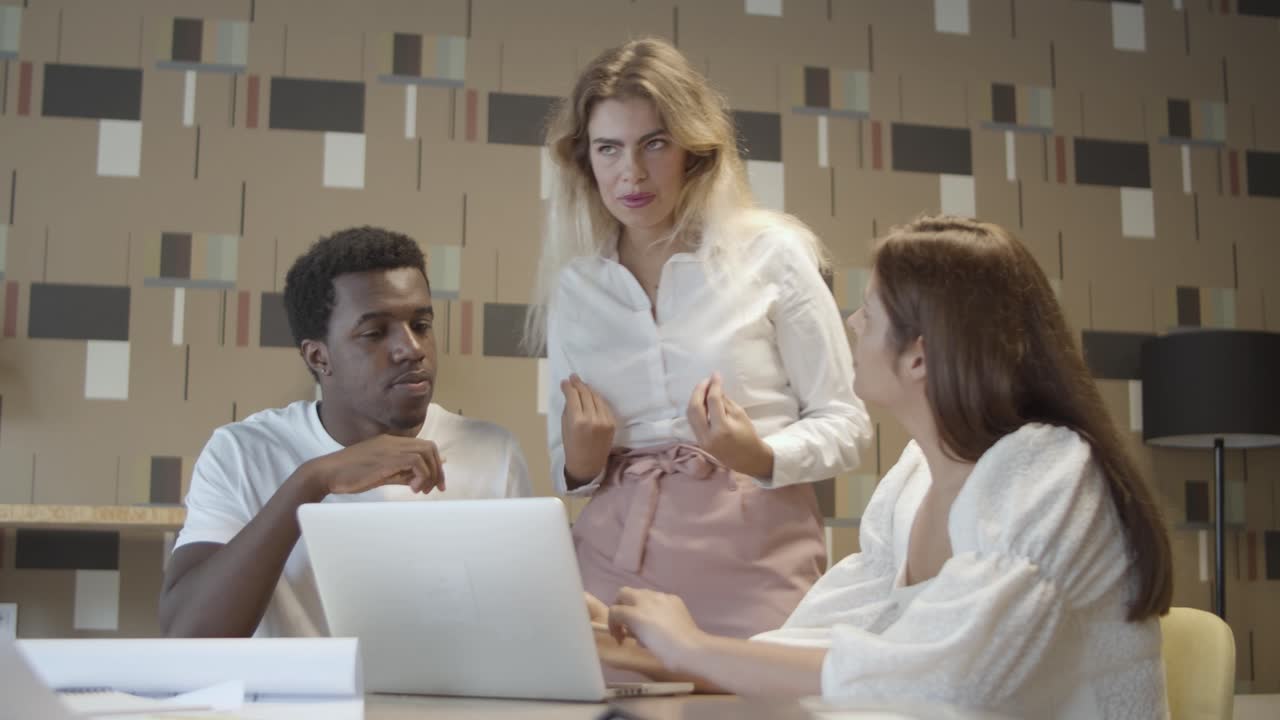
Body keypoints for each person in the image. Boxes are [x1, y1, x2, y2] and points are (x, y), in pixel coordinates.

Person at [594, 216, 1174, 719]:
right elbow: (826, 648)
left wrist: (692, 649)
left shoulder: (1051, 470)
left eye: (867, 314)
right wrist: (635, 649)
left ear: (918, 354)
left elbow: (955, 679)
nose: (851, 324)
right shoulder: (914, 477)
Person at [526, 37, 873, 642]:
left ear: (695, 151)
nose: (630, 172)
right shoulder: (576, 288)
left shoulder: (774, 254)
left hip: (756, 556)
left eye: (654, 143)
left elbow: (847, 424)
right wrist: (580, 460)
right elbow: (569, 471)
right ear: (585, 162)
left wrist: (759, 456)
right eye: (609, 149)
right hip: (611, 562)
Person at [159, 226, 531, 638]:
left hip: (445, 703)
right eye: (375, 333)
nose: (412, 348)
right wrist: (312, 481)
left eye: (421, 324)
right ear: (319, 357)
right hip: (294, 704)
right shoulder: (242, 453)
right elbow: (187, 634)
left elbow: (528, 627)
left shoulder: (493, 453)